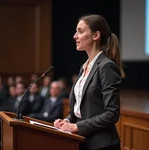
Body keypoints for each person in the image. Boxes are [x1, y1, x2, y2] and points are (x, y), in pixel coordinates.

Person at [54, 14, 125, 150]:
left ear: (96, 35)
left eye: (80, 31)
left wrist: (76, 126)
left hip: (102, 145)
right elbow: (81, 111)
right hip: (81, 141)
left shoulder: (106, 66)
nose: (75, 36)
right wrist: (68, 120)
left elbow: (112, 114)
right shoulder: (84, 66)